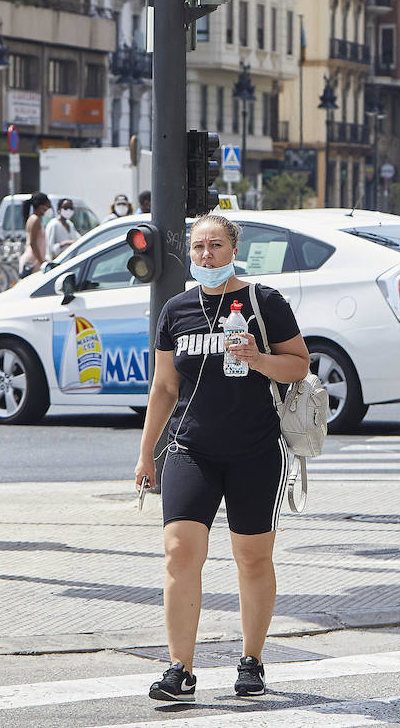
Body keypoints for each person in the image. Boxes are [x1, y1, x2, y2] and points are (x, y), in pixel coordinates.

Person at [135, 214, 311, 702]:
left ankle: (251, 659)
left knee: (252, 557)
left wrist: (257, 358)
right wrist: (146, 453)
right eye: (197, 248)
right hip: (191, 449)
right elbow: (164, 387)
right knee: (179, 553)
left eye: (215, 246)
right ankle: (179, 668)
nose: (206, 256)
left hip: (255, 451)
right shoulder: (176, 309)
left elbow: (299, 365)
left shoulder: (264, 303)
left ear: (234, 250)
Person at [18, 192, 52, 277]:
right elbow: (33, 243)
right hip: (33, 261)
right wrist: (42, 262)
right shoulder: (35, 220)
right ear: (41, 207)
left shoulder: (35, 219)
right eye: (48, 206)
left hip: (35, 260)